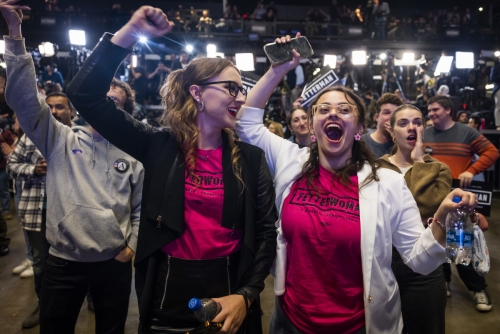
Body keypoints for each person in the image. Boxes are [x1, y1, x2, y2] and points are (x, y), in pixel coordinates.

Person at [235, 33, 477, 333]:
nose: (333, 112)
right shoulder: (290, 160)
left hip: (361, 325)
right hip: (290, 321)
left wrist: (441, 222)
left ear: (359, 128)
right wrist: (278, 69)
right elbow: (246, 123)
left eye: (344, 109)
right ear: (312, 127)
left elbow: (420, 262)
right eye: (323, 109)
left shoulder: (387, 182)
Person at [64, 6, 277, 334]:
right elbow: (84, 95)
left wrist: (247, 295)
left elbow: (264, 234)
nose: (241, 96)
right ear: (197, 92)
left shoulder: (250, 158)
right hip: (168, 287)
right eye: (231, 88)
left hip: (230, 282)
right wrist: (131, 33)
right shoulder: (158, 144)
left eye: (242, 88)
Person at [2, 2, 145, 332]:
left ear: (125, 112)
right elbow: (24, 99)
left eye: (114, 103)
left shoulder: (134, 152)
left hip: (114, 263)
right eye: (100, 99)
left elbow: (140, 208)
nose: (104, 106)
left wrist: (131, 248)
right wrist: (14, 33)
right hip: (63, 262)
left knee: (111, 329)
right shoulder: (60, 139)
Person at [379, 104, 451, 334]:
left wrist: (419, 162)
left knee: (427, 327)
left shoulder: (438, 169)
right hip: (383, 262)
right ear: (391, 131)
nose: (412, 128)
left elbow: (426, 206)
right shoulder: (377, 167)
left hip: (425, 266)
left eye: (417, 122)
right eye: (403, 123)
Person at [424, 95, 499, 312]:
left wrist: (472, 170)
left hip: (458, 198)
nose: (431, 114)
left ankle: (478, 289)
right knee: (438, 242)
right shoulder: (425, 134)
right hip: (433, 196)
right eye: (429, 110)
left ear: (448, 110)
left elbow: (492, 152)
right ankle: (444, 281)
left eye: (436, 109)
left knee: (461, 246)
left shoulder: (466, 132)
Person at [361, 93, 402, 158]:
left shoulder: (403, 144)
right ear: (377, 117)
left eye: (395, 113)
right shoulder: (362, 142)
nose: (391, 117)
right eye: (386, 113)